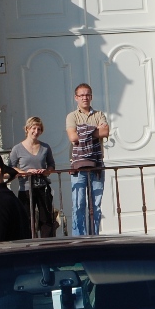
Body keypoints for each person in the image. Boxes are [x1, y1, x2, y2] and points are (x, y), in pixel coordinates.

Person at [66, 83, 109, 235]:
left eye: (87, 94)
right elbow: (73, 137)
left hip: (97, 163)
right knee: (78, 204)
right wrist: (94, 130)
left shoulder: (99, 114)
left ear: (91, 96)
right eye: (82, 95)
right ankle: (79, 238)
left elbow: (105, 132)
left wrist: (82, 130)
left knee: (95, 204)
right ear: (76, 98)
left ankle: (94, 236)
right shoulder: (72, 116)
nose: (85, 97)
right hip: (78, 165)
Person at [9, 117, 56, 237]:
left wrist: (46, 171)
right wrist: (25, 172)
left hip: (42, 187)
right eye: (33, 128)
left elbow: (51, 165)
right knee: (26, 219)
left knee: (46, 218)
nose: (36, 131)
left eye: (39, 129)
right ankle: (27, 244)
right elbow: (11, 167)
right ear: (27, 129)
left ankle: (47, 244)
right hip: (26, 188)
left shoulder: (45, 147)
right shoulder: (17, 149)